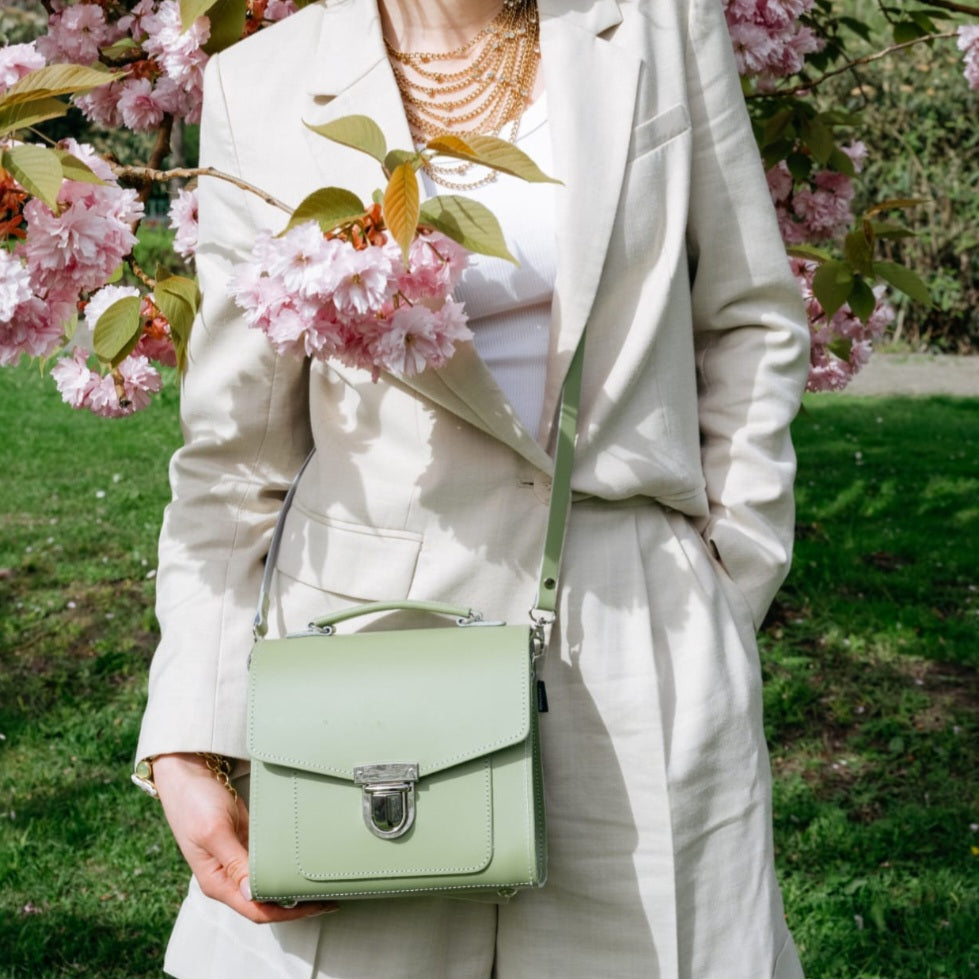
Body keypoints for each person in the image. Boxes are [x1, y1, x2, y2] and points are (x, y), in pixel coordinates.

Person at [134, 0, 811, 976]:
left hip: (633, 636)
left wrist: (719, 581)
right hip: (363, 661)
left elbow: (749, 314)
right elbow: (232, 451)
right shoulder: (265, 83)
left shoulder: (656, 25)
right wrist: (189, 733)